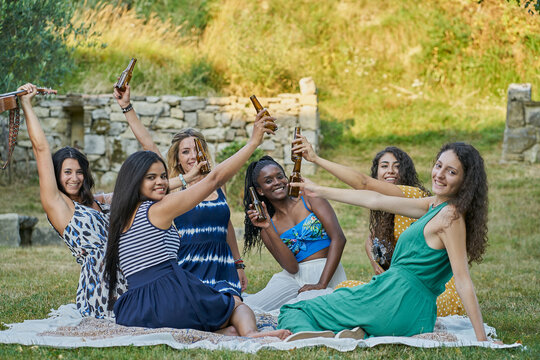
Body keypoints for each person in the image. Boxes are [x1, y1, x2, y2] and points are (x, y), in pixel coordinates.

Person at [103, 112, 290, 339]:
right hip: (169, 300)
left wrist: (126, 108)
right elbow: (214, 178)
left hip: (133, 309)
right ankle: (250, 334)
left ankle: (223, 332)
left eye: (163, 176)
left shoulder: (122, 213)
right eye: (152, 178)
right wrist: (253, 142)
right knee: (236, 304)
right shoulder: (160, 208)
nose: (161, 182)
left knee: (216, 317)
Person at [278, 142, 490, 342]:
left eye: (451, 172)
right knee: (343, 294)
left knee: (294, 310)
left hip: (394, 300)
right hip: (414, 314)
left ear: (466, 181)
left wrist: (483, 340)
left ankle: (326, 335)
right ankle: (355, 331)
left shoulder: (449, 217)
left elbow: (463, 280)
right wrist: (319, 190)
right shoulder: (434, 206)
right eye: (438, 166)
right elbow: (375, 200)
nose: (439, 175)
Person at [293, 138, 465, 317]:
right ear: (376, 172)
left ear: (406, 171)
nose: (390, 170)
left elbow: (363, 184)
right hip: (404, 288)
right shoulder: (385, 214)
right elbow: (371, 238)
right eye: (384, 166)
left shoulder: (414, 196)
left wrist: (315, 159)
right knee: (345, 289)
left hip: (438, 294)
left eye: (397, 166)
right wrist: (373, 258)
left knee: (353, 298)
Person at [114, 85, 246, 298]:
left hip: (222, 264)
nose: (192, 156)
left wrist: (238, 263)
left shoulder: (217, 185)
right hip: (188, 265)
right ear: (177, 159)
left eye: (197, 149)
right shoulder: (169, 187)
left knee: (234, 309)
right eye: (185, 152)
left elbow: (226, 224)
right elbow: (148, 145)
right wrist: (127, 107)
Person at [18, 83, 126, 318]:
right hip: (101, 283)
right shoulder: (58, 205)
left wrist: (187, 179)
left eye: (79, 172)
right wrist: (27, 104)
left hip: (128, 270)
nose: (75, 178)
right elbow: (41, 149)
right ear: (56, 175)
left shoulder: (96, 201)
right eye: (67, 172)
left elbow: (140, 191)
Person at [241, 155, 347, 313]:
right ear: (260, 191)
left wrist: (321, 284)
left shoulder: (309, 199)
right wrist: (268, 227)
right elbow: (292, 267)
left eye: (280, 176)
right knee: (249, 308)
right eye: (269, 181)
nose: (277, 182)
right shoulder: (268, 229)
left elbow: (339, 239)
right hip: (292, 280)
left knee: (302, 310)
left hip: (326, 273)